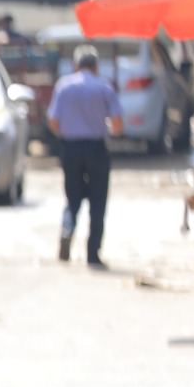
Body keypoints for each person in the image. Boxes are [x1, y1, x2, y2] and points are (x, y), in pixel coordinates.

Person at [49, 45, 123, 269]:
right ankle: (93, 253)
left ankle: (67, 229)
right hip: (96, 148)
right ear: (96, 66)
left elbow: (53, 121)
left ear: (75, 65)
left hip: (70, 148)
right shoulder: (104, 87)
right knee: (98, 202)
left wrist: (66, 134)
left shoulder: (63, 86)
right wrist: (107, 130)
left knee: (72, 198)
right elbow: (118, 124)